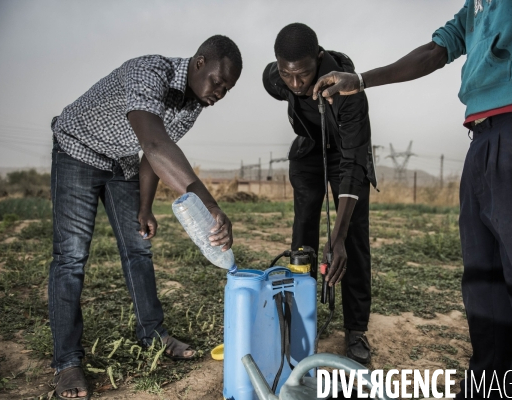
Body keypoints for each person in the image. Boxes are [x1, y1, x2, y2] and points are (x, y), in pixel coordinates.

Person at [314, 2, 512, 399]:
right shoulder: (477, 4)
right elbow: (435, 51)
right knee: (482, 283)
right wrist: (361, 80)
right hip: (482, 135)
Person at [49, 35, 242, 399]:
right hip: (78, 150)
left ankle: (154, 333)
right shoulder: (149, 70)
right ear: (199, 63)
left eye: (227, 88)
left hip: (121, 164)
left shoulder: (193, 104)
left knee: (139, 249)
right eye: (218, 81)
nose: (219, 92)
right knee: (71, 258)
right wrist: (211, 204)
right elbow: (154, 142)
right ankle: (67, 362)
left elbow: (153, 155)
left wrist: (144, 207)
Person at [263, 23, 377, 364]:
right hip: (309, 153)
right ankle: (302, 317)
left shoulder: (347, 89)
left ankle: (355, 330)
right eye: (288, 74)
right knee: (304, 235)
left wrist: (338, 235)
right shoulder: (275, 78)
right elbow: (279, 83)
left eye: (304, 74)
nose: (296, 84)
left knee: (351, 239)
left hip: (346, 156)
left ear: (320, 57)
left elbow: (355, 164)